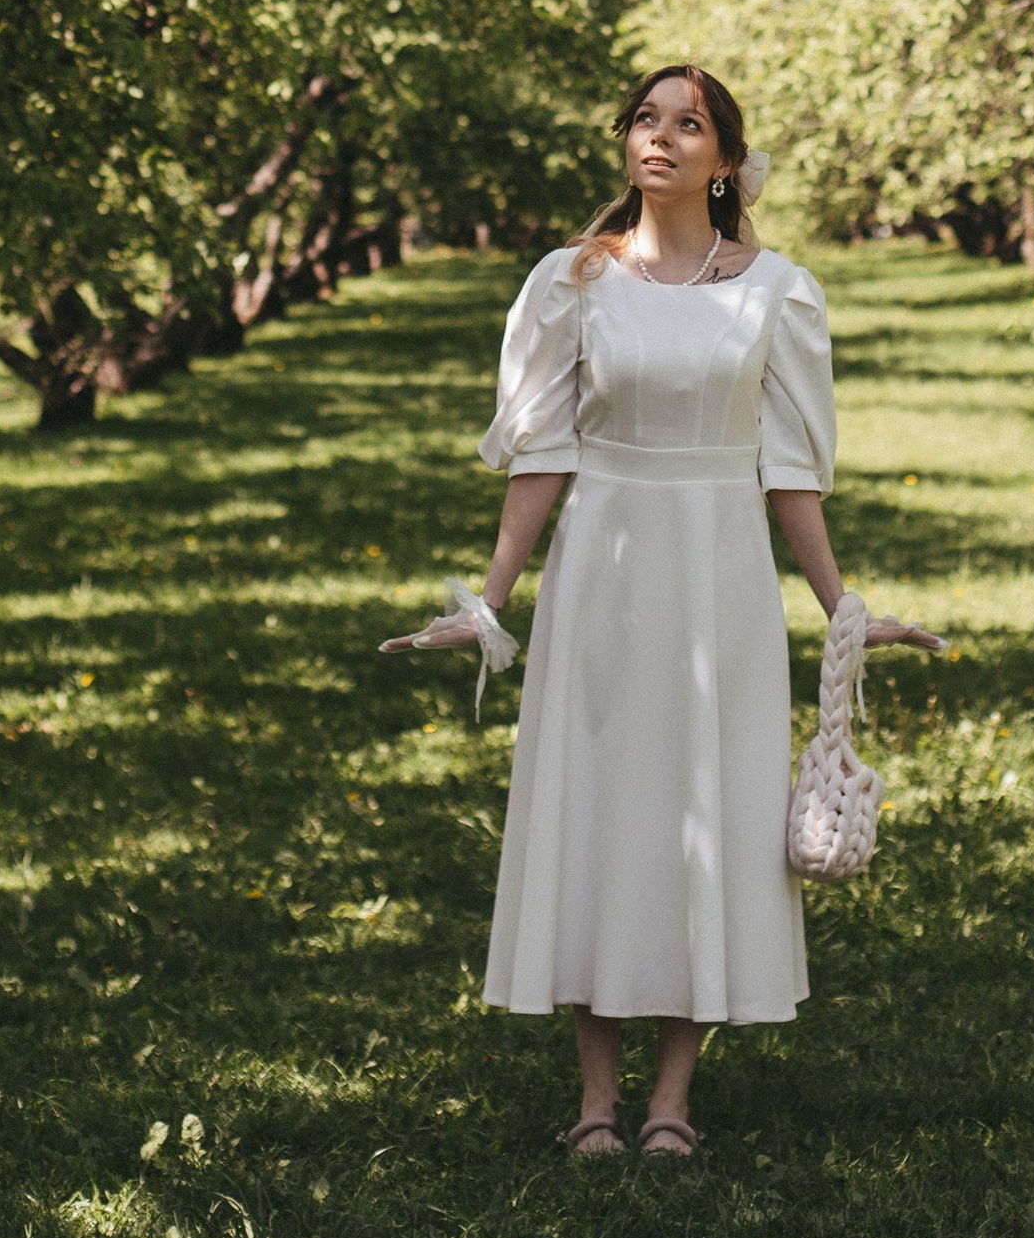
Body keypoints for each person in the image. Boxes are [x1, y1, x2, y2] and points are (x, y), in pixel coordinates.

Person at [383, 65, 942, 1159]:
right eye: (646, 119)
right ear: (625, 141)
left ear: (725, 162)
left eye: (689, 126)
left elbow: (792, 471)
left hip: (721, 578)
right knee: (603, 810)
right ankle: (595, 1101)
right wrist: (488, 604)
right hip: (605, 571)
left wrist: (842, 609)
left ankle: (671, 1102)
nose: (662, 139)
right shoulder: (572, 280)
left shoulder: (776, 290)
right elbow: (542, 455)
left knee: (711, 813)